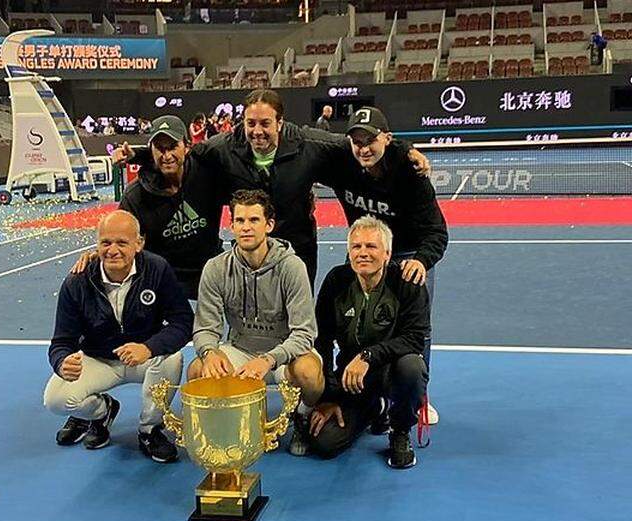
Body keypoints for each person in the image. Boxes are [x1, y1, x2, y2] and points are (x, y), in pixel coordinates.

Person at [117, 89, 429, 287]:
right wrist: (141, 153)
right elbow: (179, 153)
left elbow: (359, 143)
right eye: (251, 123)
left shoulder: (310, 144)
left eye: (265, 123)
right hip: (250, 250)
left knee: (300, 321)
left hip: (298, 250)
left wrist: (404, 149)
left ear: (279, 122)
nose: (257, 131)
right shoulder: (221, 148)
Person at [326, 106, 447, 422]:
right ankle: (364, 392)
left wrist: (422, 261)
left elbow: (437, 231)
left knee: (417, 326)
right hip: (366, 248)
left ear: (387, 139)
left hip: (408, 253)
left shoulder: (411, 175)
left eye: (370, 140)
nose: (363, 148)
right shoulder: (343, 162)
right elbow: (310, 139)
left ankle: (417, 397)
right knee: (358, 318)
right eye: (357, 141)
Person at [43, 210, 193, 463]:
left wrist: (149, 347)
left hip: (143, 359)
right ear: (97, 244)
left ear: (139, 243)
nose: (113, 250)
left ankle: (150, 430)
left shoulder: (157, 269)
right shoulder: (77, 282)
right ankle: (101, 412)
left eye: (122, 243)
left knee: (172, 359)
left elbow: (183, 322)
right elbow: (61, 342)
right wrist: (61, 362)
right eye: (106, 242)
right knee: (56, 400)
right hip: (99, 359)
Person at [188, 189, 325, 454]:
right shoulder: (215, 269)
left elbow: (305, 333)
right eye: (240, 221)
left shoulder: (292, 266)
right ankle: (228, 425)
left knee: (309, 372)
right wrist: (209, 352)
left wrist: (269, 359)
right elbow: (205, 328)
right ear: (232, 226)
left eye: (254, 220)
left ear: (269, 225)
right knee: (197, 370)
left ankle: (303, 415)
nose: (246, 228)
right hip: (240, 349)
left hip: (283, 353)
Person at [306, 216, 430, 468]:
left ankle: (400, 430)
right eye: (356, 246)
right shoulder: (336, 281)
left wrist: (368, 356)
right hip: (351, 380)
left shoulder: (407, 282)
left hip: (390, 372)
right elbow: (323, 340)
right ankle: (374, 409)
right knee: (324, 443)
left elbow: (415, 338)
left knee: (412, 368)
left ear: (387, 253)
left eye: (371, 247)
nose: (363, 253)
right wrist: (327, 397)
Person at [76, 115, 224, 299]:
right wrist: (98, 253)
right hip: (165, 282)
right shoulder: (135, 195)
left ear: (186, 147)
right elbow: (119, 232)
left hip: (211, 273)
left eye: (172, 147)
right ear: (151, 151)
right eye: (160, 149)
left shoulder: (208, 175)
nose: (167, 155)